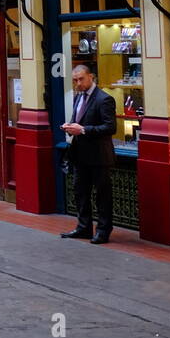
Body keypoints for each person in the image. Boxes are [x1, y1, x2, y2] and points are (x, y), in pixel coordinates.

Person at [59, 64, 117, 244]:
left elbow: (110, 127)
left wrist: (83, 129)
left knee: (102, 195)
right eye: (75, 80)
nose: (78, 83)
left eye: (81, 79)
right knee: (80, 192)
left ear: (91, 77)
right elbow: (76, 120)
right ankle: (83, 227)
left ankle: (103, 230)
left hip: (99, 156)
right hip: (80, 155)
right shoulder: (78, 97)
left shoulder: (104, 99)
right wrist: (69, 127)